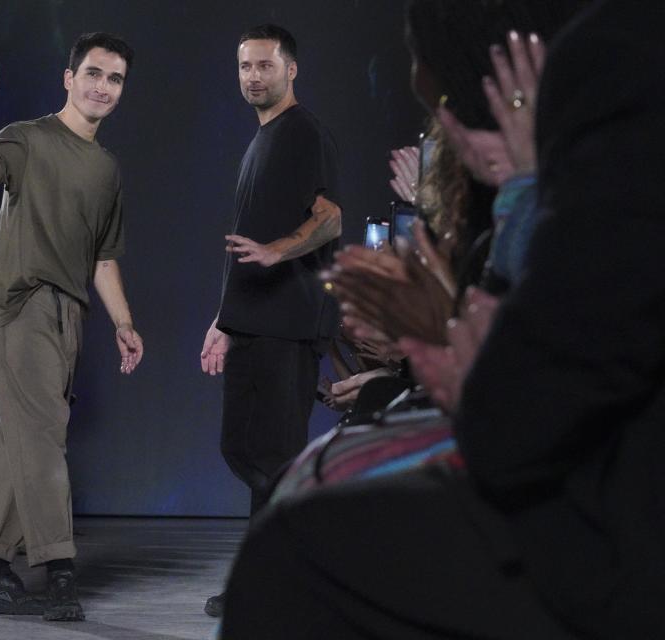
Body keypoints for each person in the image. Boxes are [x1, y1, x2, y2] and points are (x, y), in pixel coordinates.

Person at [222, 0, 665, 636]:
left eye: (444, 104)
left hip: (602, 529)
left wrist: (518, 188)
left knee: (290, 540)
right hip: (550, 461)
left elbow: (528, 402)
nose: (252, 75)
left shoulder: (611, 75)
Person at [0, 28, 143, 621]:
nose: (103, 87)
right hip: (21, 303)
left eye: (115, 79)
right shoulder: (28, 138)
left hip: (70, 313)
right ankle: (59, 569)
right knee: (43, 434)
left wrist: (124, 323)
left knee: (20, 437)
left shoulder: (107, 169)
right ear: (69, 77)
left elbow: (102, 257)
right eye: (93, 73)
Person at [198, 23, 342, 617]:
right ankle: (270, 582)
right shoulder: (263, 139)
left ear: (291, 70)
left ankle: (291, 581)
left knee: (271, 460)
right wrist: (222, 321)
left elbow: (331, 218)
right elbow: (242, 247)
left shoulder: (303, 132)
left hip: (288, 325)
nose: (252, 76)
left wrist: (280, 250)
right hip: (255, 322)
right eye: (244, 66)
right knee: (251, 454)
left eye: (263, 65)